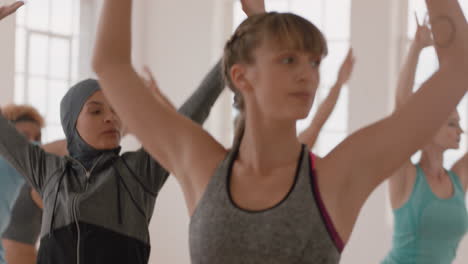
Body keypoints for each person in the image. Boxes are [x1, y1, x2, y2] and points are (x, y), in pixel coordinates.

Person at [93, 0, 468, 262]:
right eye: (289, 59)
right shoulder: (200, 163)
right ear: (241, 76)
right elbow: (110, 65)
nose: (308, 73)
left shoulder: (338, 176)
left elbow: (457, 69)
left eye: (314, 61)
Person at [0, 68, 225, 263]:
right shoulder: (48, 170)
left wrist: (232, 55)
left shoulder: (139, 172)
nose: (111, 117)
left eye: (116, 110)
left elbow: (189, 117)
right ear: (71, 123)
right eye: (96, 111)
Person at [383, 15, 468, 264]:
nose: (460, 132)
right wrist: (416, 47)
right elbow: (401, 109)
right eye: (452, 124)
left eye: (460, 125)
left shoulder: (458, 178)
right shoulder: (406, 176)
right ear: (429, 127)